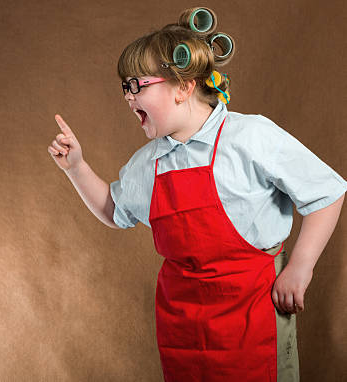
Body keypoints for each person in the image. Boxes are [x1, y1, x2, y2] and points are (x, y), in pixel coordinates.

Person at [48, 7, 346, 382]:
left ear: (184, 87)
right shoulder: (147, 164)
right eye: (125, 87)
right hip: (183, 325)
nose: (127, 97)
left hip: (255, 312)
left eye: (137, 85)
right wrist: (76, 167)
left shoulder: (250, 137)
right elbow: (114, 210)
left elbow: (327, 193)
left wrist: (300, 267)